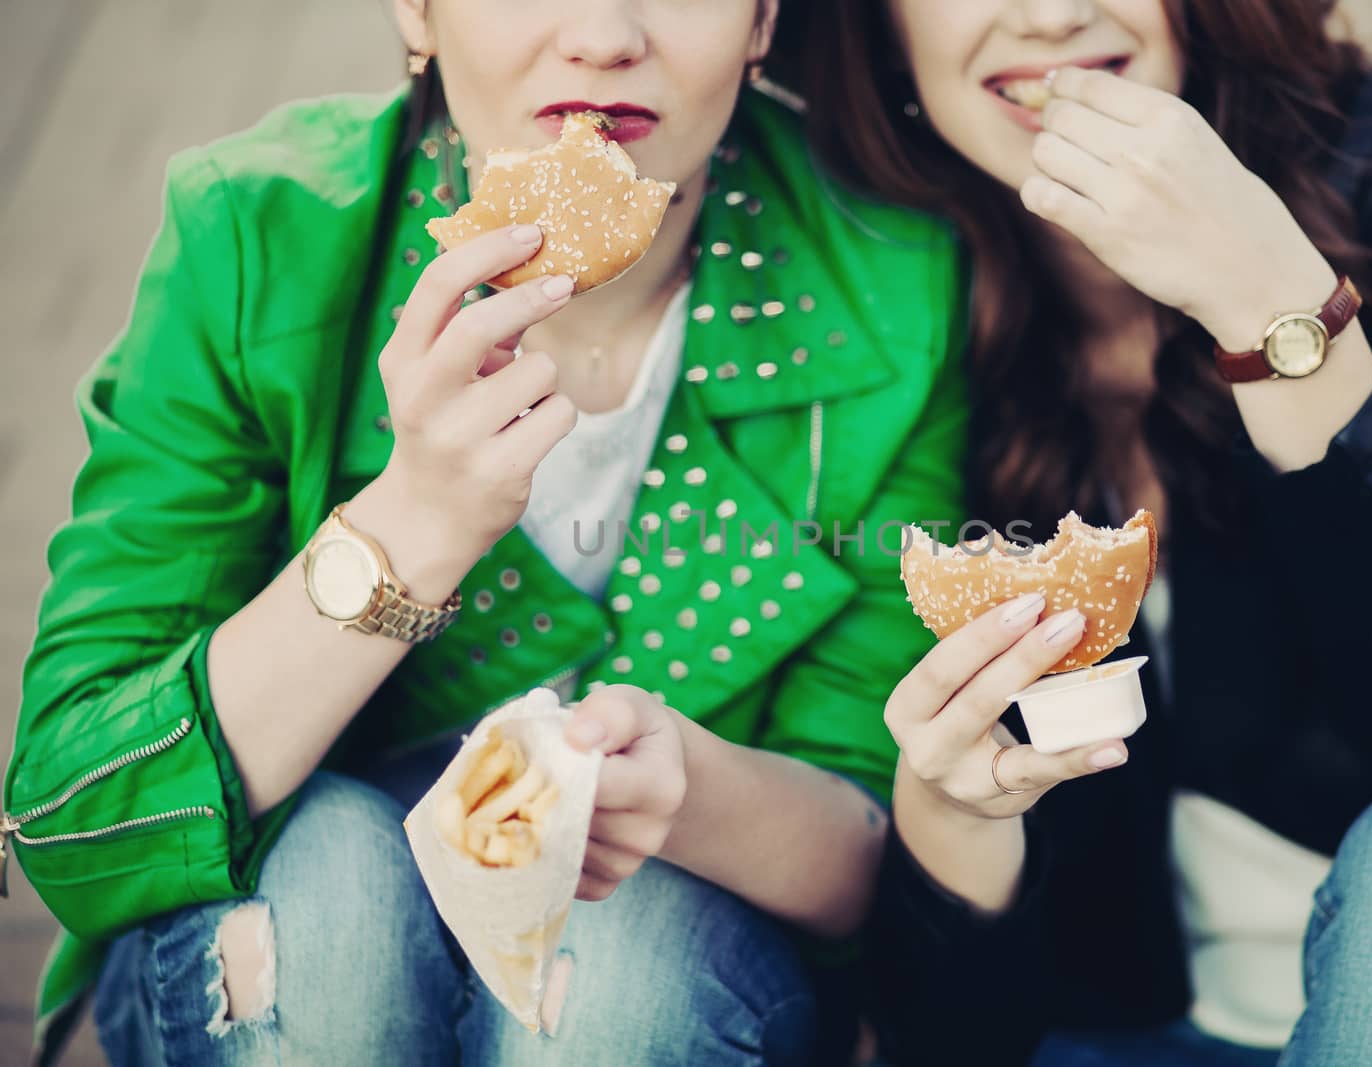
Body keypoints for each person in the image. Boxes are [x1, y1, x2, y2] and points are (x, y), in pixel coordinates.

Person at [2, 1, 971, 1064]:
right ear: (416, 8)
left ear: (761, 20)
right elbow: (68, 813)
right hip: (293, 921)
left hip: (672, 955)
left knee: (621, 972)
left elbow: (869, 869)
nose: (604, 36)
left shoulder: (895, 277)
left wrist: (689, 788)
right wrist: (412, 523)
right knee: (333, 898)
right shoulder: (253, 229)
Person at [787, 0, 1372, 1063]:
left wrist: (1269, 307)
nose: (1050, 14)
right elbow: (952, 1029)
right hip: (1120, 1025)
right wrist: (957, 817)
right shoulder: (859, 280)